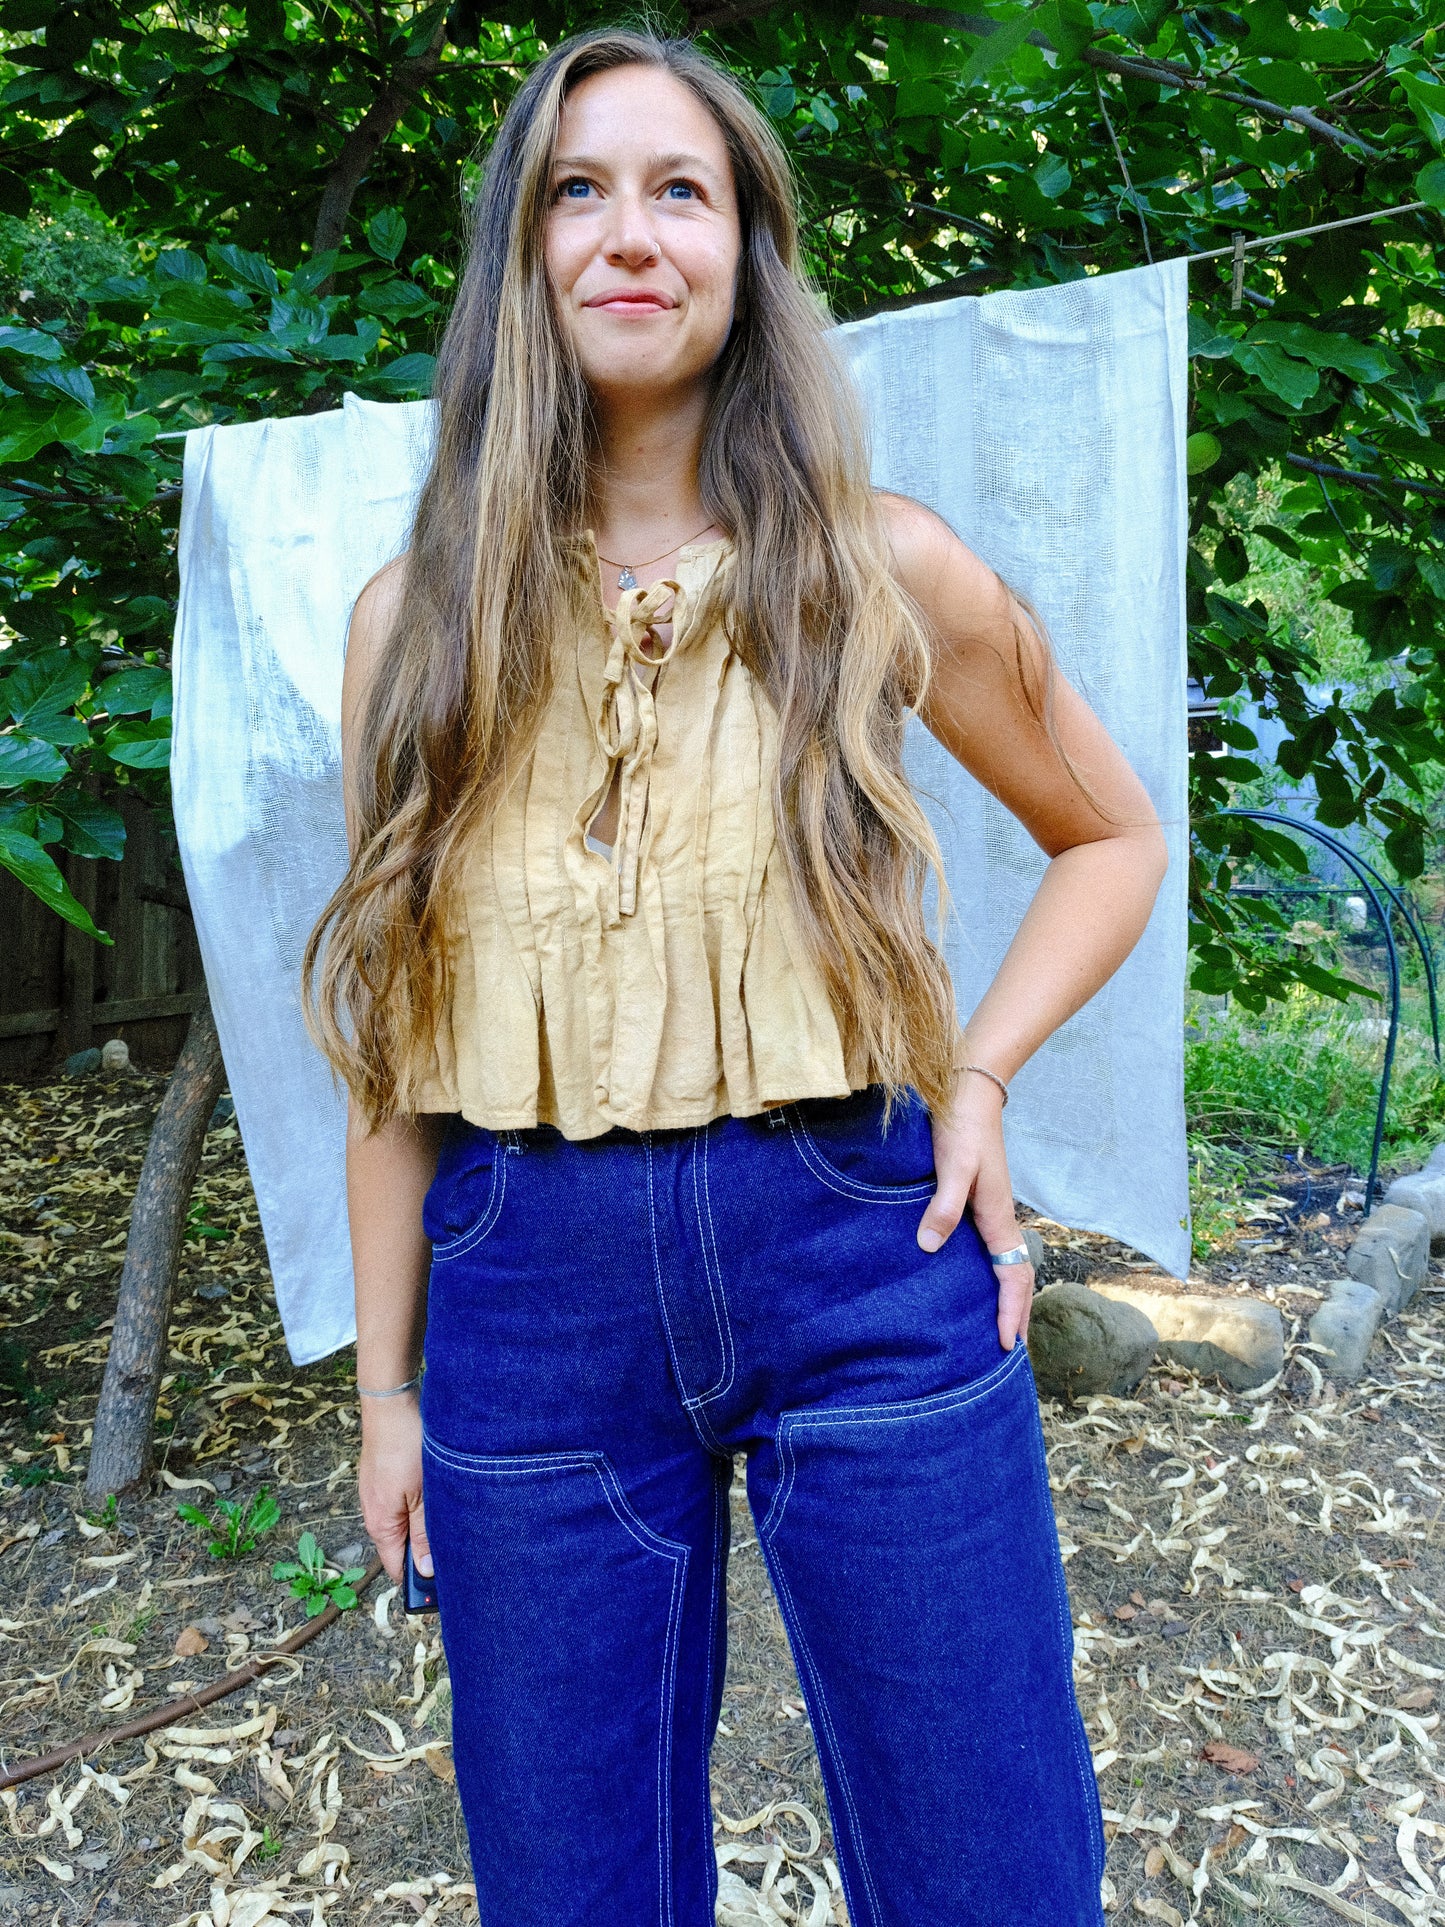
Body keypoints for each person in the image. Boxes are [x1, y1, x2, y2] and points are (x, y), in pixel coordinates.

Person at [303, 26, 1167, 1926]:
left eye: (677, 189)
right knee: (570, 1888)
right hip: (524, 1297)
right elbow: (392, 1049)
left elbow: (1113, 838)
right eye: (576, 191)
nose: (630, 234)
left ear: (746, 253)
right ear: (521, 259)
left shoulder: (881, 572)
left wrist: (984, 1074)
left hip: (861, 1249)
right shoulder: (414, 624)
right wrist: (387, 1390)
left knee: (990, 1877)